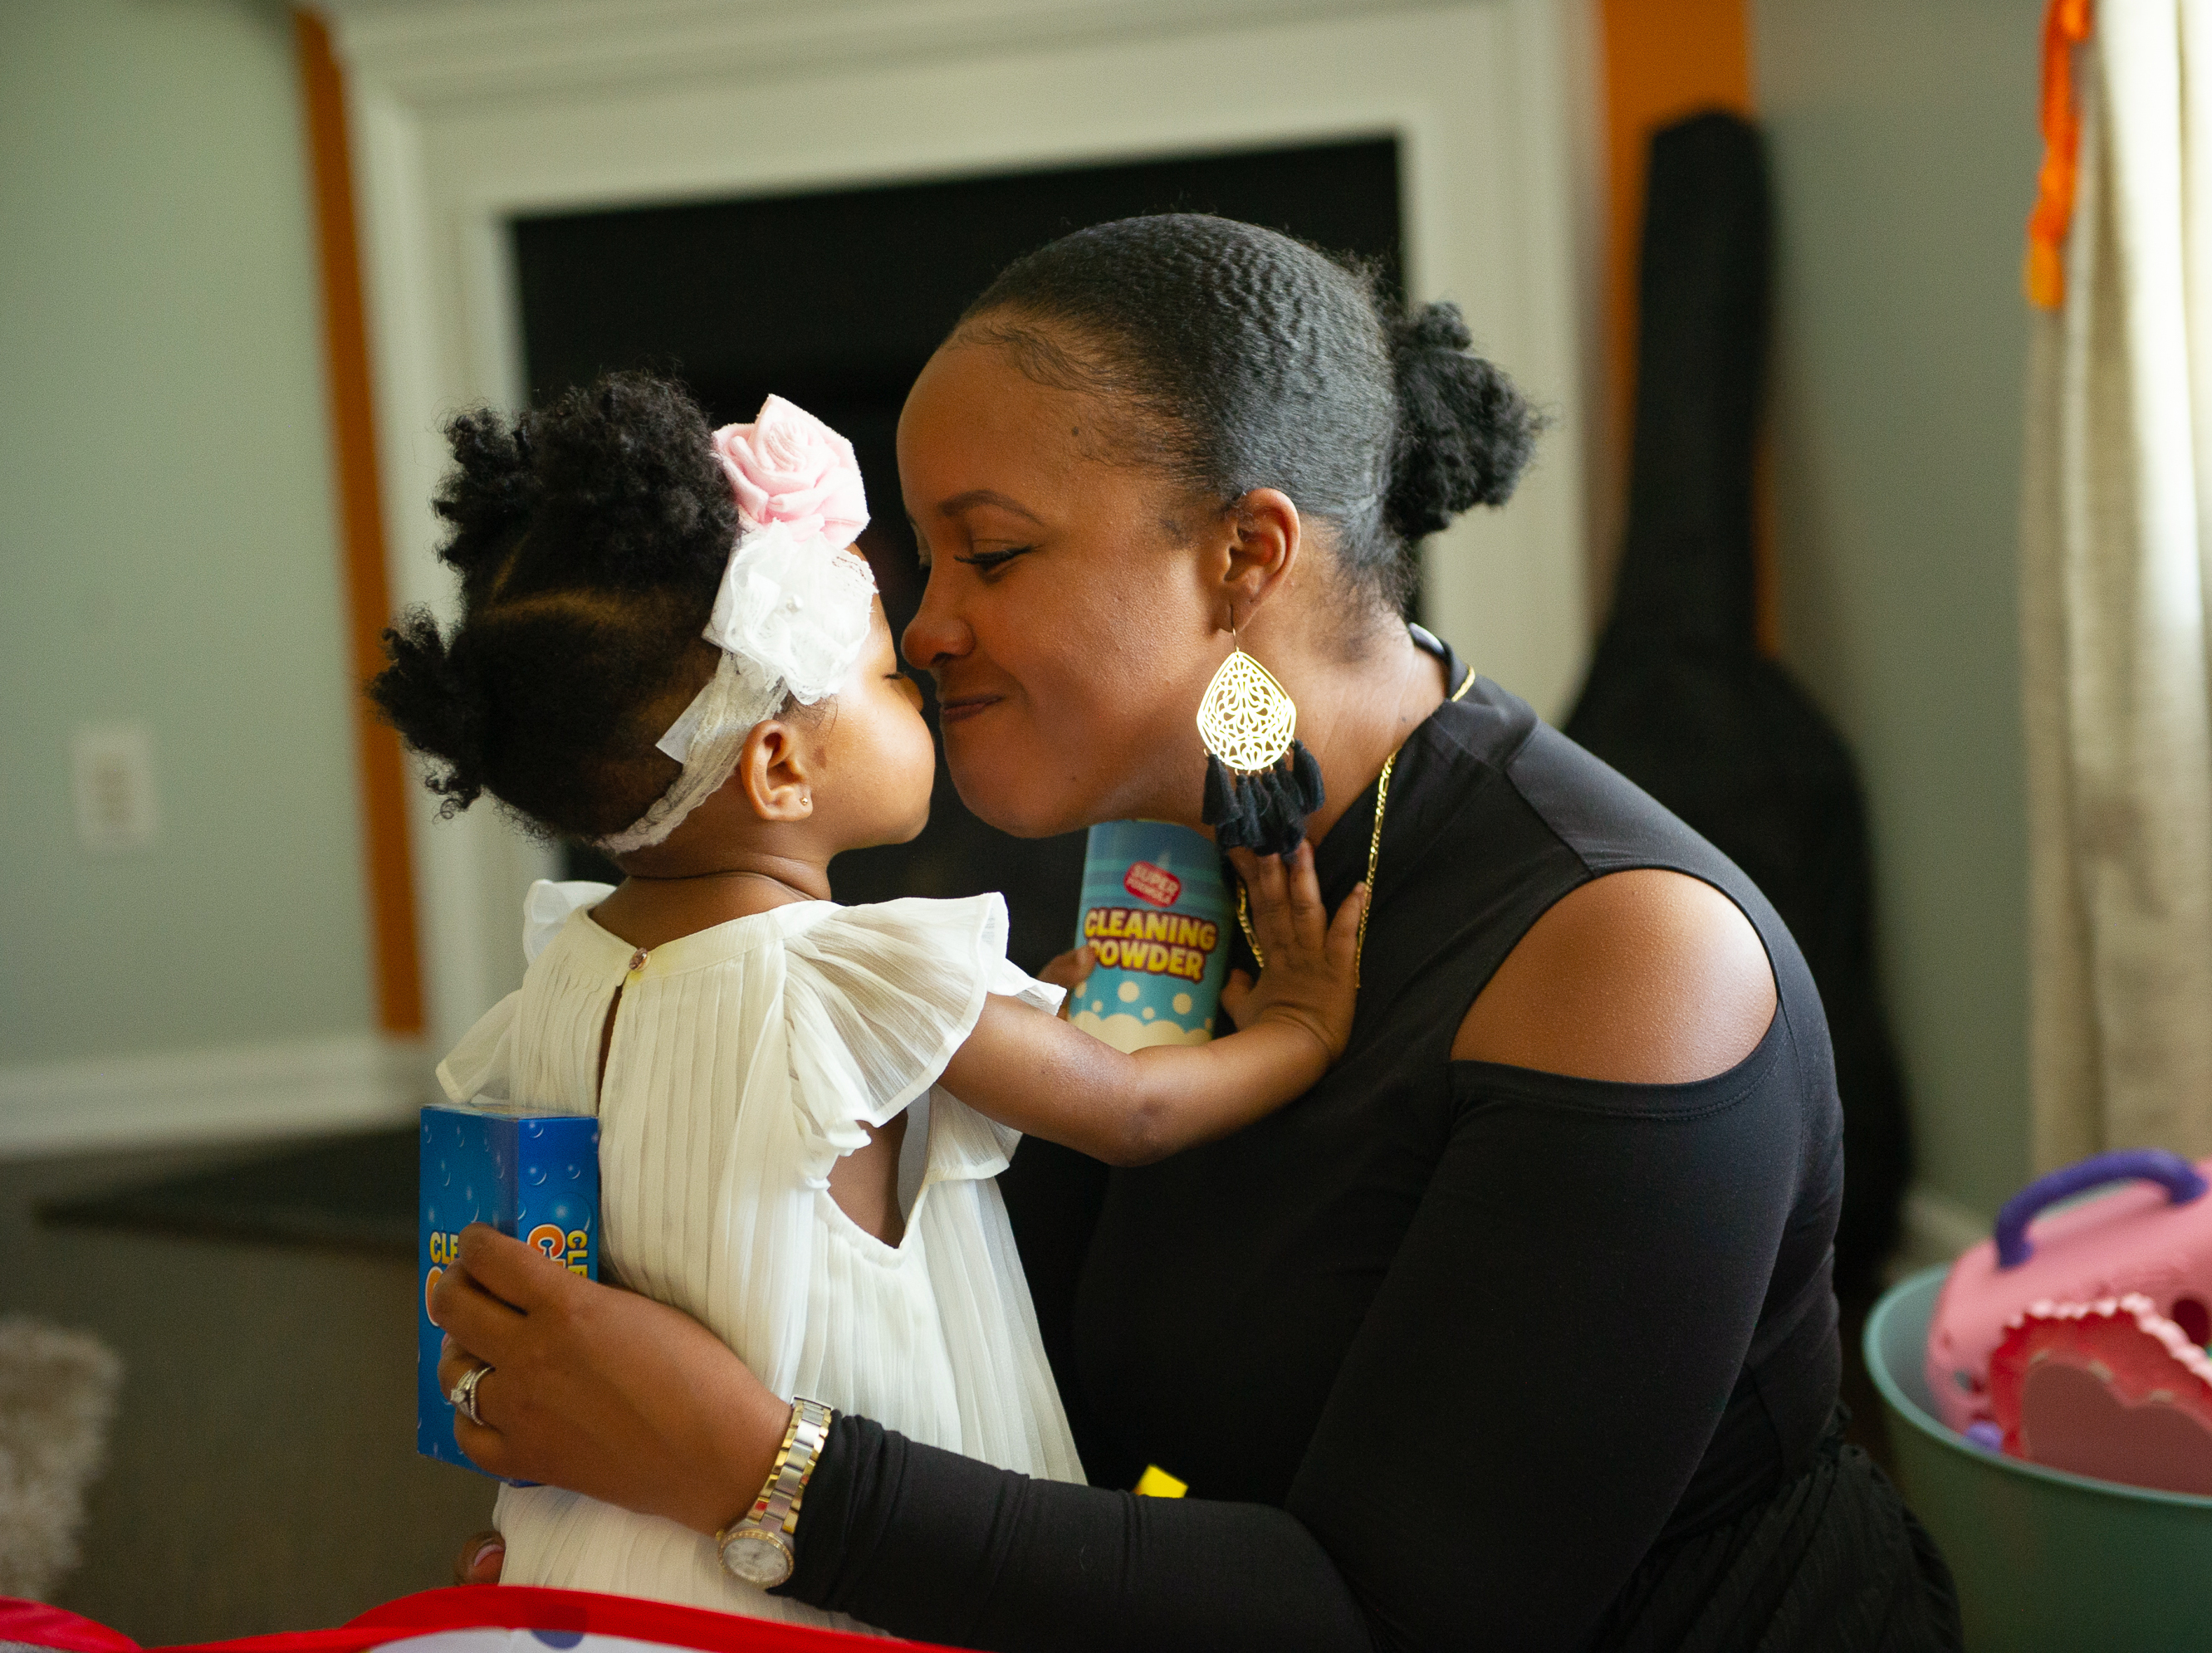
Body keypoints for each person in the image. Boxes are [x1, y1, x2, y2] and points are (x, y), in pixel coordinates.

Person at [433, 215, 1961, 1650]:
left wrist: (750, 1470)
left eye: (994, 551)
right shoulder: (1170, 851)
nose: (923, 625)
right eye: (920, 552)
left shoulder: (1623, 959)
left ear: (1245, 554)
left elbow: (1398, 1621)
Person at [376, 382, 1366, 1626]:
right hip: (825, 1565)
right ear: (781, 765)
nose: (926, 690)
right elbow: (1131, 1113)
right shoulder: (852, 974)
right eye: (892, 679)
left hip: (605, 1558)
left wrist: (1024, 1027)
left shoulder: (558, 971)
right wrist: (1304, 1028)